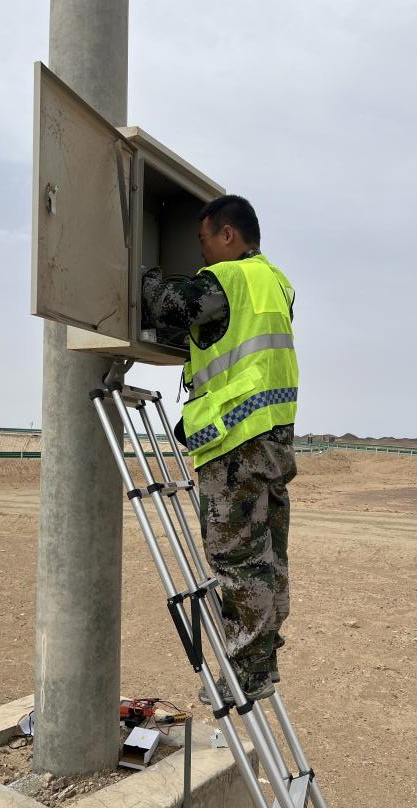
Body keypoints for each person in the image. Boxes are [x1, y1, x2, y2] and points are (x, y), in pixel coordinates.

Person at [142, 195, 298, 704]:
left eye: (203, 240)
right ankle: (264, 660)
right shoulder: (276, 282)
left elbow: (172, 305)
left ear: (227, 235)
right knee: (268, 556)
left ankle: (244, 676)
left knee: (237, 560)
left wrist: (146, 274)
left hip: (236, 442)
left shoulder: (228, 279)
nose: (202, 254)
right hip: (273, 436)